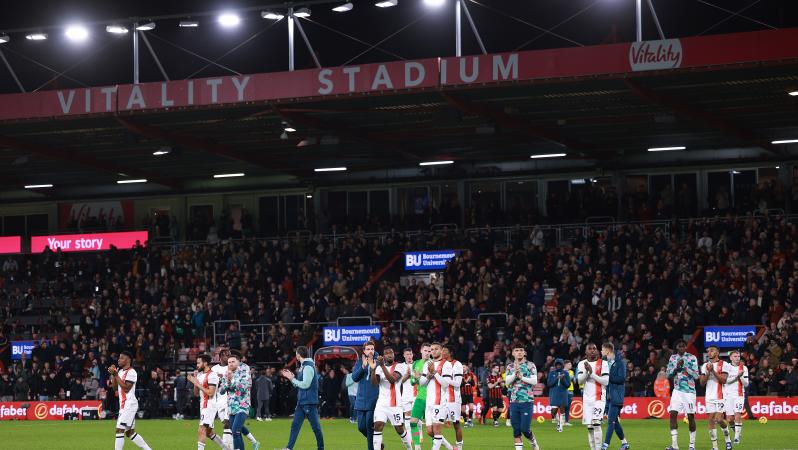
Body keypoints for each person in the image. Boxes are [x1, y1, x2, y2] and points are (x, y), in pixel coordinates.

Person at [369, 346, 413, 450]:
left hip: (395, 404)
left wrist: (382, 366)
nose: (389, 355)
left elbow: (392, 380)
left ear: (393, 354)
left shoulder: (399, 366)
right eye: (387, 353)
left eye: (391, 353)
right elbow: (374, 383)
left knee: (399, 429)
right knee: (377, 426)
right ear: (383, 356)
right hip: (381, 404)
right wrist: (373, 369)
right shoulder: (378, 368)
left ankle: (410, 448)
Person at [108, 351, 154, 450]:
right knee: (130, 433)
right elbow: (115, 388)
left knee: (119, 429)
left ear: (128, 360)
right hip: (124, 405)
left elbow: (126, 388)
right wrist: (113, 375)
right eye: (119, 358)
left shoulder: (132, 372)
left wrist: (116, 375)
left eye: (122, 358)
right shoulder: (120, 372)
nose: (119, 360)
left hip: (129, 404)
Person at [281, 346, 324, 450]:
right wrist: (292, 378)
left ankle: (321, 448)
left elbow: (305, 385)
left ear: (299, 355)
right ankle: (289, 448)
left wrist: (292, 379)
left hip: (309, 402)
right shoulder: (304, 366)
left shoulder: (308, 367)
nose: (295, 355)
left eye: (296, 353)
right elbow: (299, 384)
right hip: (302, 402)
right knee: (295, 426)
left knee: (316, 428)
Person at [187, 354, 230, 450]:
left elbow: (211, 392)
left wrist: (198, 383)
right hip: (203, 405)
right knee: (209, 432)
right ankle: (227, 448)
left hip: (210, 405)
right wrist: (195, 382)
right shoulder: (200, 375)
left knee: (202, 429)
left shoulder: (212, 375)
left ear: (205, 363)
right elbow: (196, 393)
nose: (197, 365)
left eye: (199, 363)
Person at [221, 350, 260, 450]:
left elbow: (243, 388)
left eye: (233, 361)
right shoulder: (227, 373)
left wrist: (232, 380)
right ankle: (253, 442)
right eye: (229, 362)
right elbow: (221, 390)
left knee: (235, 431)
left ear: (238, 362)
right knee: (236, 430)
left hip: (242, 405)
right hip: (231, 407)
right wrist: (228, 382)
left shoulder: (244, 372)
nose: (230, 364)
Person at [505, 343, 540, 450]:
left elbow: (534, 381)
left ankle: (533, 441)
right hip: (514, 401)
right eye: (516, 350)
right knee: (516, 430)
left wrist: (521, 377)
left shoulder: (530, 365)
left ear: (524, 352)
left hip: (527, 401)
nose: (519, 352)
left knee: (525, 429)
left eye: (521, 350)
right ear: (513, 353)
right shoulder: (510, 366)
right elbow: (507, 382)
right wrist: (515, 374)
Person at [420, 342, 454, 450]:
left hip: (439, 402)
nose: (433, 351)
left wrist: (435, 373)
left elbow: (445, 384)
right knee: (430, 432)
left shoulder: (446, 364)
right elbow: (421, 383)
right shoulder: (427, 364)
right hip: (429, 402)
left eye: (436, 349)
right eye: (432, 349)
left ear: (441, 350)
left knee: (437, 431)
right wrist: (429, 376)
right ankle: (450, 447)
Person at [666, 340, 699, 450]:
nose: (681, 348)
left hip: (689, 391)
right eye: (679, 346)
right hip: (677, 390)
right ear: (676, 347)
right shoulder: (673, 358)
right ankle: (674, 445)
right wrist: (676, 369)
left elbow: (696, 375)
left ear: (686, 347)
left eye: (683, 346)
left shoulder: (692, 358)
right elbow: (668, 374)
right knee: (672, 414)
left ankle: (692, 445)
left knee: (690, 417)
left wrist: (684, 367)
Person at [576, 343, 609, 450]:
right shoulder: (582, 364)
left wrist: (591, 373)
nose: (592, 350)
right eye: (590, 349)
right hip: (587, 399)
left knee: (596, 422)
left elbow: (606, 381)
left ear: (597, 351)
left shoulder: (603, 363)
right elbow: (580, 381)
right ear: (586, 352)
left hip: (599, 398)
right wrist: (587, 371)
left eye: (594, 348)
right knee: (590, 427)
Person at [700, 345, 732, 450]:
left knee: (719, 419)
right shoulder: (704, 366)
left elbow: (724, 380)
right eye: (708, 351)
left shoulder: (724, 364)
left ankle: (727, 438)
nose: (709, 352)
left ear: (717, 352)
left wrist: (713, 371)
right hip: (709, 397)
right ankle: (715, 447)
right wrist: (708, 372)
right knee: (711, 421)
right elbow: (702, 383)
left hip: (720, 396)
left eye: (712, 350)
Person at [352, 340, 380, 450]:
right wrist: (363, 366)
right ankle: (376, 443)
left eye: (372, 349)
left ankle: (372, 447)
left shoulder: (378, 361)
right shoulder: (360, 361)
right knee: (361, 427)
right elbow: (354, 378)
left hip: (373, 398)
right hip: (360, 399)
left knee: (369, 427)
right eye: (368, 349)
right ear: (364, 351)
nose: (370, 351)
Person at [602, 342, 629, 450]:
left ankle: (605, 445)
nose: (601, 351)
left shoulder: (620, 363)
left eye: (602, 349)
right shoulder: (605, 362)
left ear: (607, 351)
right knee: (615, 422)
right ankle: (624, 443)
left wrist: (607, 377)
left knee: (611, 422)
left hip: (616, 396)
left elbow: (621, 378)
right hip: (608, 396)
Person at [441, 345, 464, 450]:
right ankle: (449, 447)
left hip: (453, 399)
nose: (442, 352)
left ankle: (459, 448)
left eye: (444, 351)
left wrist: (445, 379)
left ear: (450, 353)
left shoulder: (457, 364)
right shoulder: (441, 364)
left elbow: (458, 383)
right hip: (441, 398)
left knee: (456, 424)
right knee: (436, 424)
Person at [409, 342, 431, 450]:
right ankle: (417, 447)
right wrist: (416, 378)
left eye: (429, 351)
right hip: (420, 398)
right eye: (425, 350)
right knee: (413, 422)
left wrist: (421, 376)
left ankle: (448, 447)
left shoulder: (432, 363)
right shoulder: (416, 363)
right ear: (421, 350)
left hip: (431, 399)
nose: (427, 353)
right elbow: (412, 382)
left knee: (432, 429)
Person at [723, 350, 748, 445]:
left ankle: (736, 437)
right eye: (735, 356)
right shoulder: (726, 367)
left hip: (739, 394)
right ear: (731, 358)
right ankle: (737, 432)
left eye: (738, 356)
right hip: (728, 394)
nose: (737, 358)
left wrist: (741, 377)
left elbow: (746, 384)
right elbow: (726, 381)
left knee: (737, 414)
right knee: (729, 419)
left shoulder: (743, 368)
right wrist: (737, 376)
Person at [547, 358, 570, 433]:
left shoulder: (566, 373)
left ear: (562, 365)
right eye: (557, 365)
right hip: (554, 394)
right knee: (553, 412)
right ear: (555, 365)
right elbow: (549, 384)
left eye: (560, 365)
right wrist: (556, 379)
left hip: (563, 393)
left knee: (562, 410)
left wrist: (563, 380)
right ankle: (558, 423)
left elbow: (568, 385)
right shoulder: (551, 373)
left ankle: (561, 427)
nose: (558, 366)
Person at [400, 348, 416, 433]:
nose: (409, 356)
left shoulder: (417, 364)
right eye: (407, 354)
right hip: (405, 395)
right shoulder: (401, 366)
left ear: (412, 355)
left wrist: (414, 375)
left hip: (416, 394)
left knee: (415, 416)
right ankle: (409, 435)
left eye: (410, 354)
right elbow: (400, 382)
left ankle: (419, 435)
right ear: (404, 355)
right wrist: (407, 375)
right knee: (407, 415)